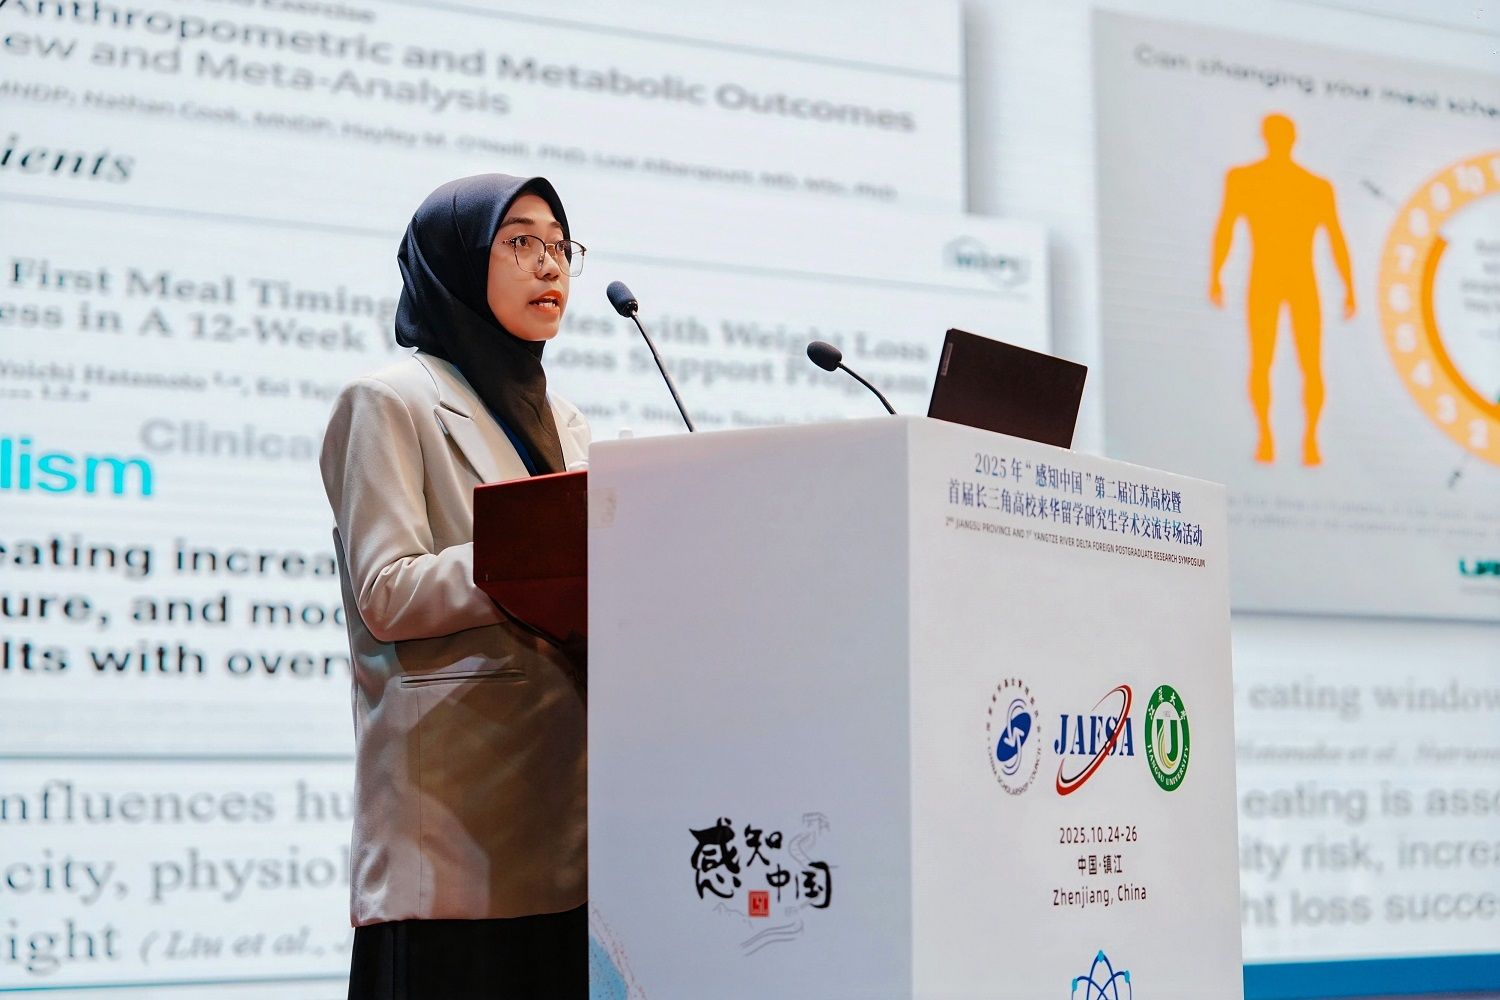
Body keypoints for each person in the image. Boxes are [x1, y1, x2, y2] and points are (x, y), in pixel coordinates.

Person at [319, 174, 591, 999]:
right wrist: (525, 554)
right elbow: (386, 590)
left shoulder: (568, 421)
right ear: (455, 263)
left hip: (569, 819)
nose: (549, 265)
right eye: (521, 241)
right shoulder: (391, 400)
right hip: (452, 824)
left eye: (560, 245)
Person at [1209, 112, 1355, 467]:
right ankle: (1266, 437)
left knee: (1308, 363)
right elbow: (1226, 228)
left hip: (1299, 281)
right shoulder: (1244, 179)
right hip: (1267, 280)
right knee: (1263, 361)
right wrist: (1215, 274)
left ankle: (1310, 439)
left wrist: (1350, 286)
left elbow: (1336, 239)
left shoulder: (1316, 186)